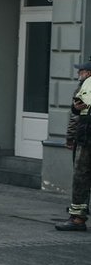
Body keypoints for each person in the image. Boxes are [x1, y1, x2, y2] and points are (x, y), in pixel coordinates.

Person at [56, 60, 91, 231]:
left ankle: (78, 217)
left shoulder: (85, 85)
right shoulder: (84, 86)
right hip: (85, 136)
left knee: (81, 176)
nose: (79, 74)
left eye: (81, 71)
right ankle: (77, 215)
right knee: (81, 176)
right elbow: (77, 111)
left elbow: (75, 115)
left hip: (85, 137)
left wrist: (71, 137)